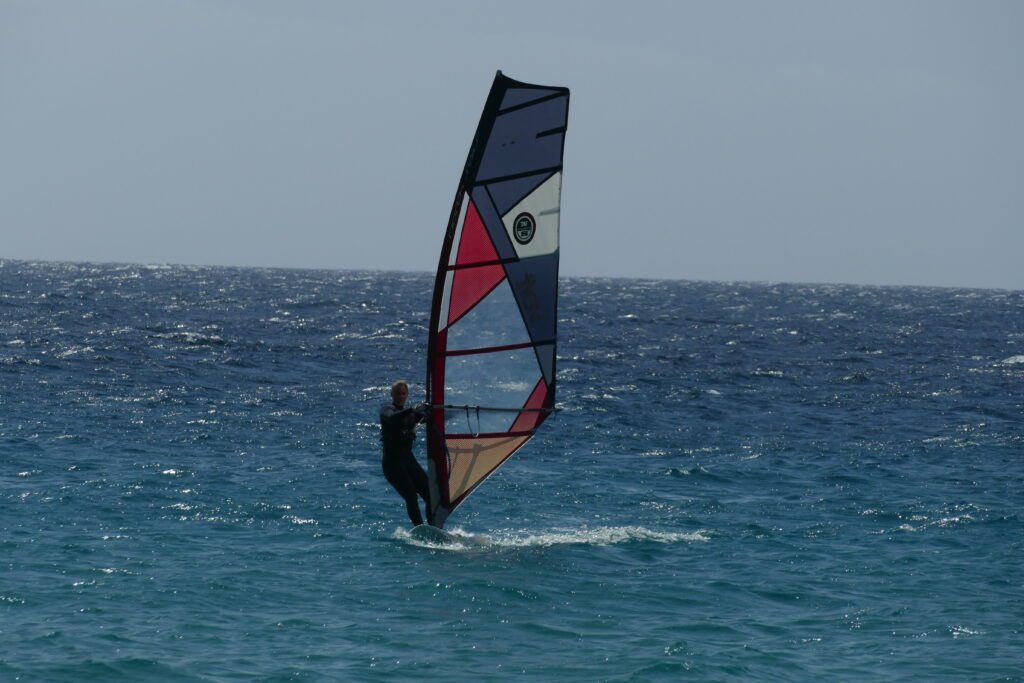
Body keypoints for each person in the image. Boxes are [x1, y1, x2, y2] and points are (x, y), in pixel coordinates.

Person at [379, 380, 433, 526]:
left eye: (403, 393)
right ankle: (419, 528)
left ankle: (434, 527)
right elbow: (393, 418)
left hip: (408, 460)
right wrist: (413, 409)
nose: (401, 396)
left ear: (407, 394)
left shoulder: (412, 415)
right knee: (411, 496)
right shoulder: (386, 410)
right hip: (392, 463)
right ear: (391, 394)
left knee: (431, 495)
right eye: (397, 393)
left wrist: (436, 409)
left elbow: (431, 418)